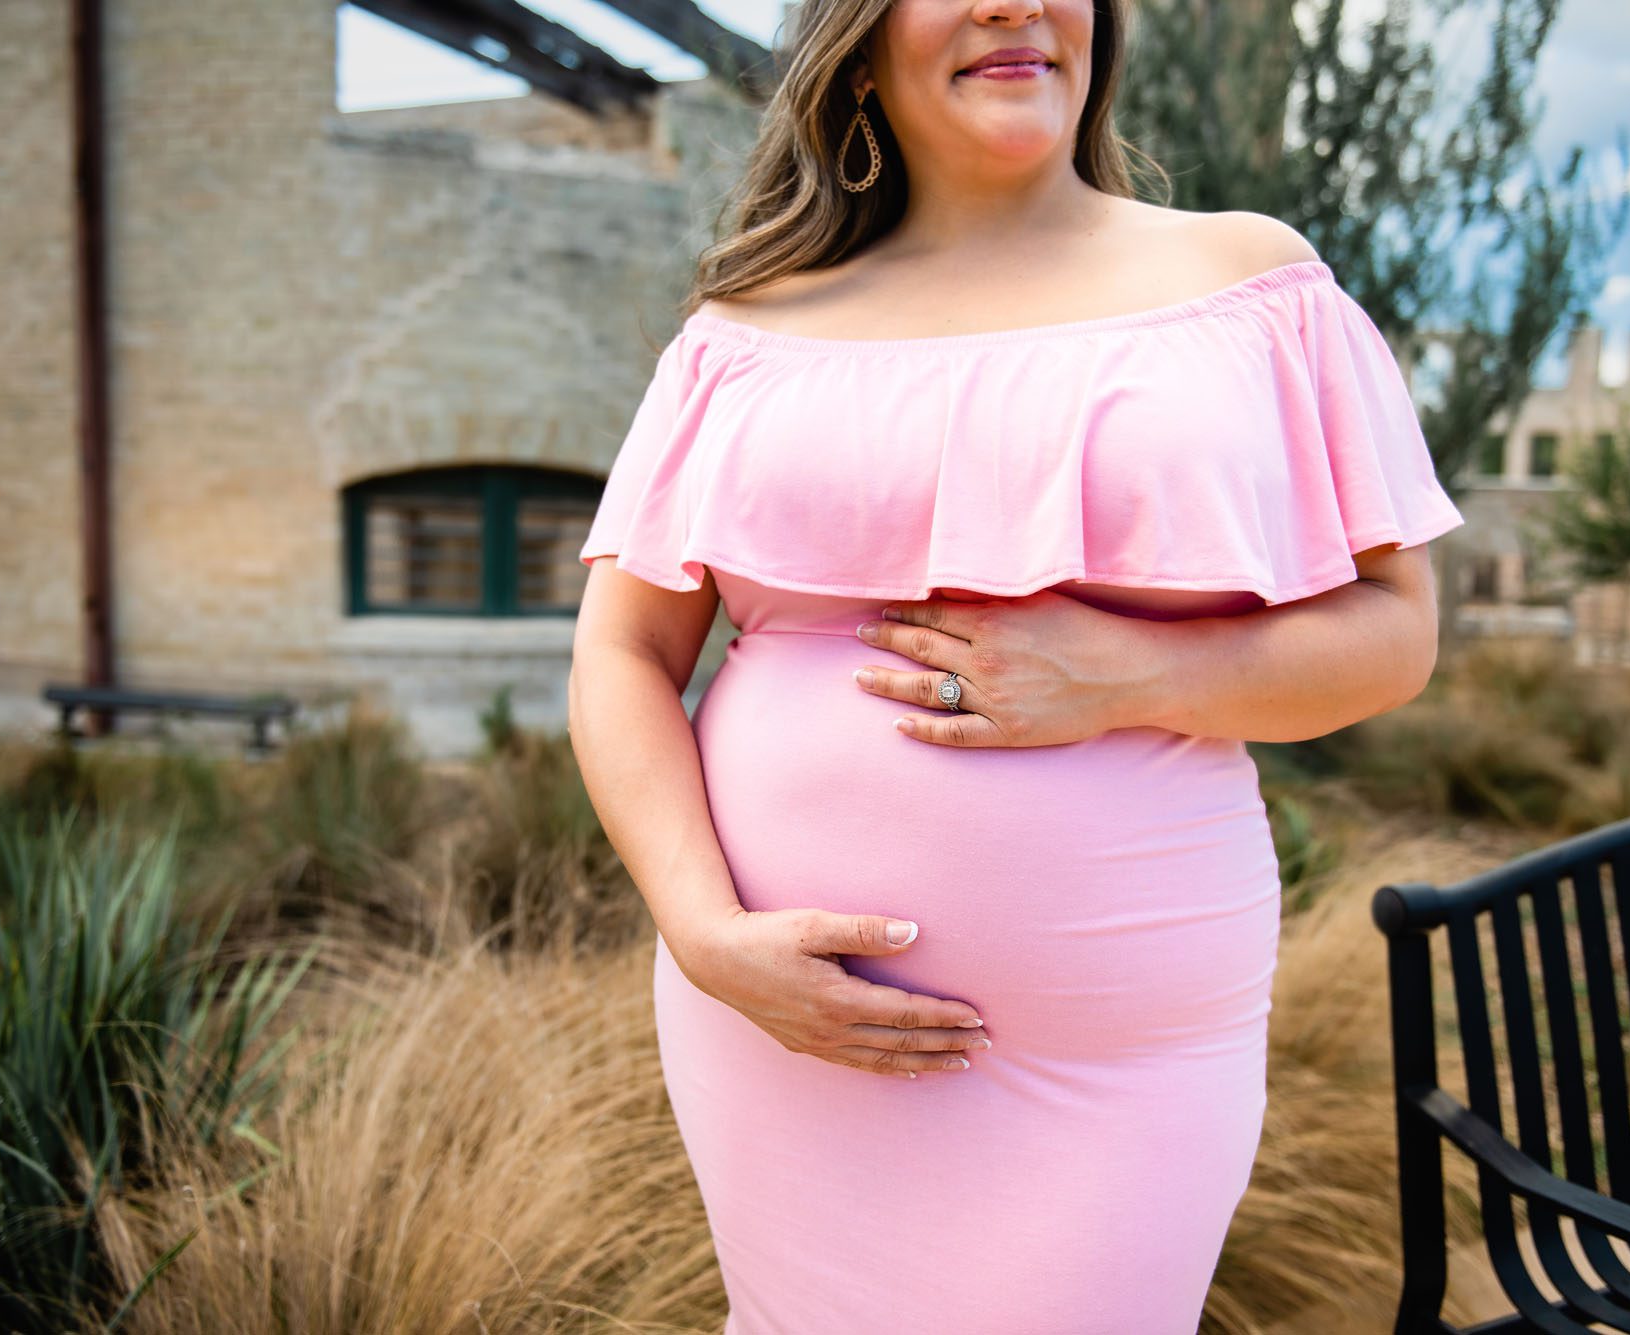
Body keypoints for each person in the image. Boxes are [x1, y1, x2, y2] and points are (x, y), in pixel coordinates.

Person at [567, 0, 1463, 1328]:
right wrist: (705, 935)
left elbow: (1396, 631)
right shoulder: (747, 329)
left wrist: (1129, 675)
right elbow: (625, 653)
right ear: (859, 40)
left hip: (1114, 1048)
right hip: (784, 1024)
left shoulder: (1247, 285)